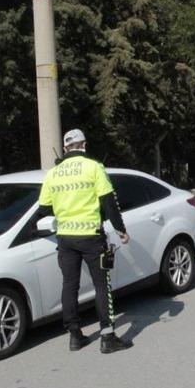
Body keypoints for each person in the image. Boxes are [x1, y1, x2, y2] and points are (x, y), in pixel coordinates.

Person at [38, 129, 134, 354]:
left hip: (65, 238)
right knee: (102, 285)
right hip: (91, 236)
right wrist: (121, 230)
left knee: (69, 285)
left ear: (65, 149)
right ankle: (108, 337)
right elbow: (109, 201)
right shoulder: (93, 167)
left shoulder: (53, 174)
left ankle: (74, 336)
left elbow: (43, 209)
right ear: (84, 145)